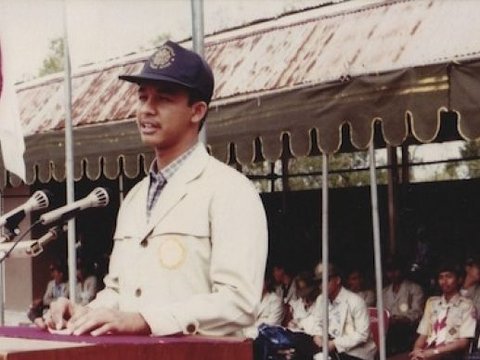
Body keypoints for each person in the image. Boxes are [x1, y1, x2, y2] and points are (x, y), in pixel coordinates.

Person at [41, 40, 268, 337]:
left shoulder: (230, 191)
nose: (146, 110)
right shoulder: (134, 198)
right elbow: (120, 291)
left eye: (163, 99)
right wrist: (83, 314)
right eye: (142, 97)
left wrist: (146, 320)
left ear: (197, 111)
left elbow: (240, 302)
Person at [410, 261, 476, 360]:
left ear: (459, 280)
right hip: (428, 351)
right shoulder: (432, 303)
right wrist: (417, 351)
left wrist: (435, 351)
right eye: (441, 277)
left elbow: (463, 342)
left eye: (449, 277)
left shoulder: (466, 306)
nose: (444, 281)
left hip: (450, 354)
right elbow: (423, 334)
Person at [310, 263, 377, 360]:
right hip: (330, 349)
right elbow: (317, 322)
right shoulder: (321, 299)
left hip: (356, 353)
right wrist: (318, 335)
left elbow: (362, 335)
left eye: (326, 280)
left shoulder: (355, 301)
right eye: (319, 282)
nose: (322, 285)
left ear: (337, 280)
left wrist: (335, 344)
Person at [383, 256, 425, 355]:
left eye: (396, 270)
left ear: (402, 270)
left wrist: (399, 319)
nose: (393, 274)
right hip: (387, 331)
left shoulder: (414, 288)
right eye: (389, 271)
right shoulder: (384, 292)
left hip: (407, 330)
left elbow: (417, 312)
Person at [244, 272, 284, 339]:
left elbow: (272, 324)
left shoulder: (276, 300)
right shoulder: (251, 299)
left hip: (266, 337)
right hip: (247, 333)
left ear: (267, 282)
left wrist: (252, 328)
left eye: (259, 281)